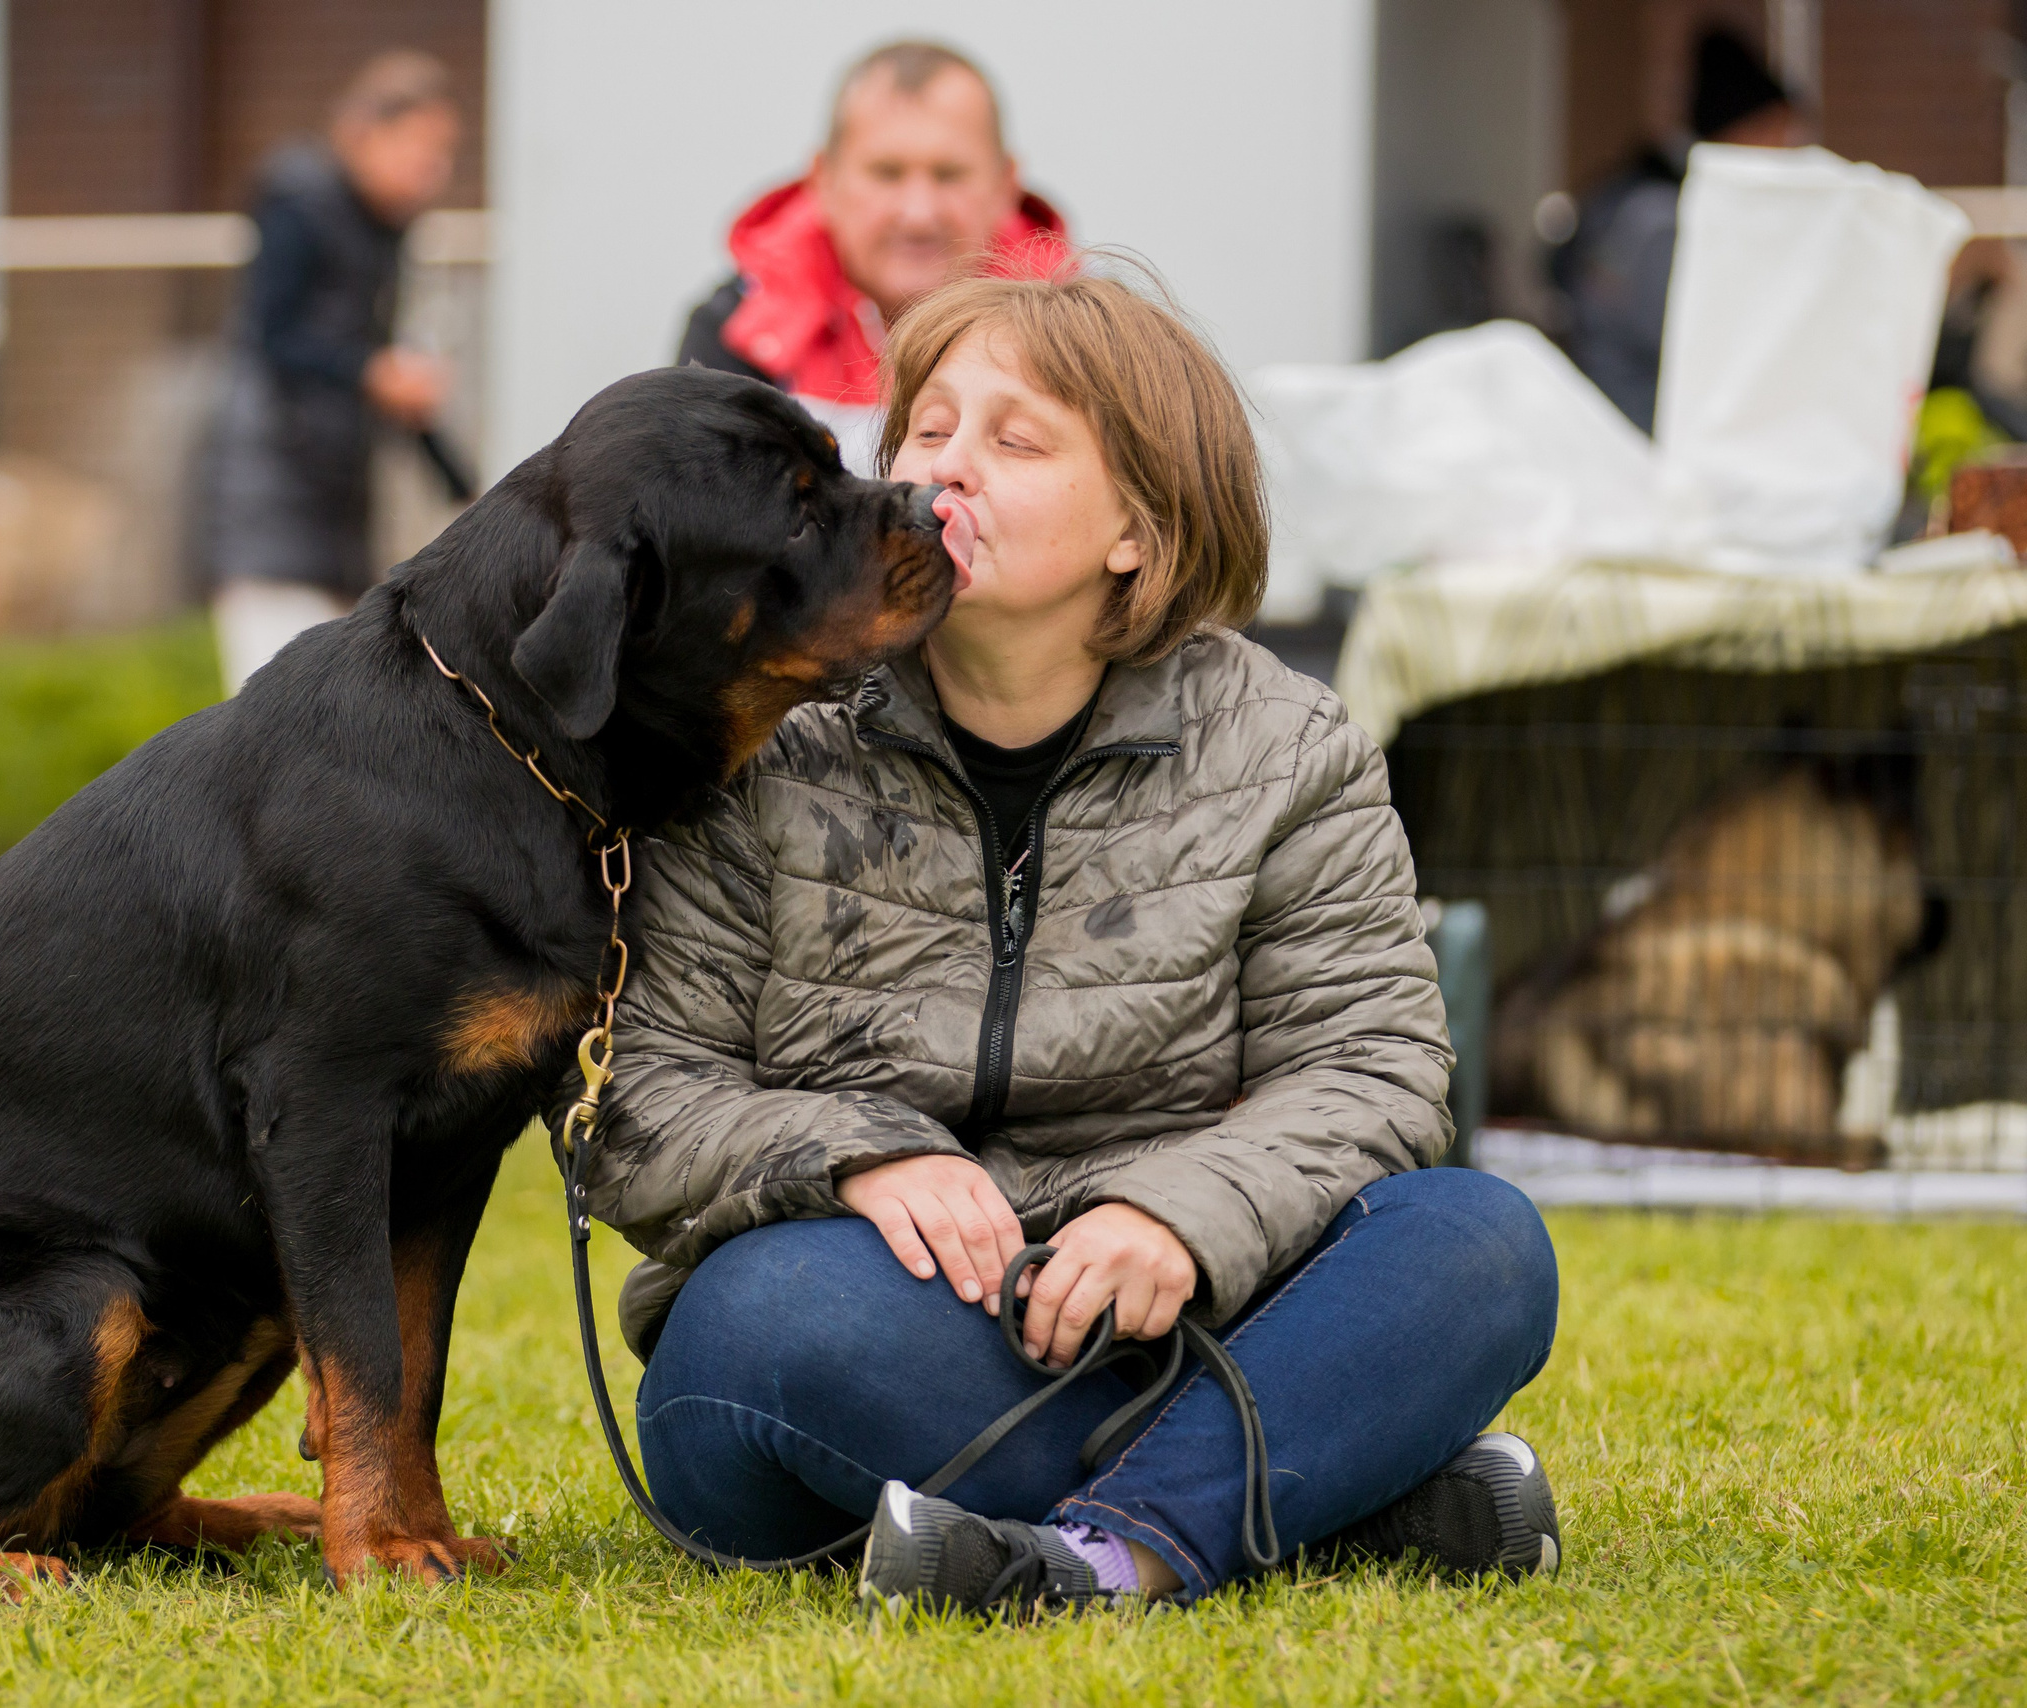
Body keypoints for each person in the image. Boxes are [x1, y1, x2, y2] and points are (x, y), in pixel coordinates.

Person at [588, 264, 1562, 1616]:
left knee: (1480, 1241)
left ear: (1140, 531)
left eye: (1016, 439)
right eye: (927, 430)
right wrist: (853, 1155)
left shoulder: (1283, 745)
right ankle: (1329, 1490)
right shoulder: (764, 724)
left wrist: (1178, 1214)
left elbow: (1374, 1067)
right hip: (867, 1314)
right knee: (754, 1325)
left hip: (1179, 1314)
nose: (947, 470)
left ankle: (1106, 1556)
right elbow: (634, 1095)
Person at [196, 51, 460, 696]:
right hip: (270, 499)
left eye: (446, 153)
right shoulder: (299, 198)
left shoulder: (384, 230)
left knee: (333, 714)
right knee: (272, 714)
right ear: (368, 132)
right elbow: (273, 334)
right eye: (423, 147)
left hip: (335, 508)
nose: (437, 170)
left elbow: (381, 373)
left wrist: (462, 489)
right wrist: (374, 371)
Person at [677, 40, 1066, 474]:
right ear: (823, 180)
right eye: (887, 173)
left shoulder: (1084, 338)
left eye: (949, 174)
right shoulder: (736, 332)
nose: (919, 213)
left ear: (1005, 184)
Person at [1554, 27, 1808, 431]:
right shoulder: (1660, 221)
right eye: (1777, 133)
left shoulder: (1654, 198)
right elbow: (1707, 355)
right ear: (1740, 129)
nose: (1788, 151)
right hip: (1637, 445)